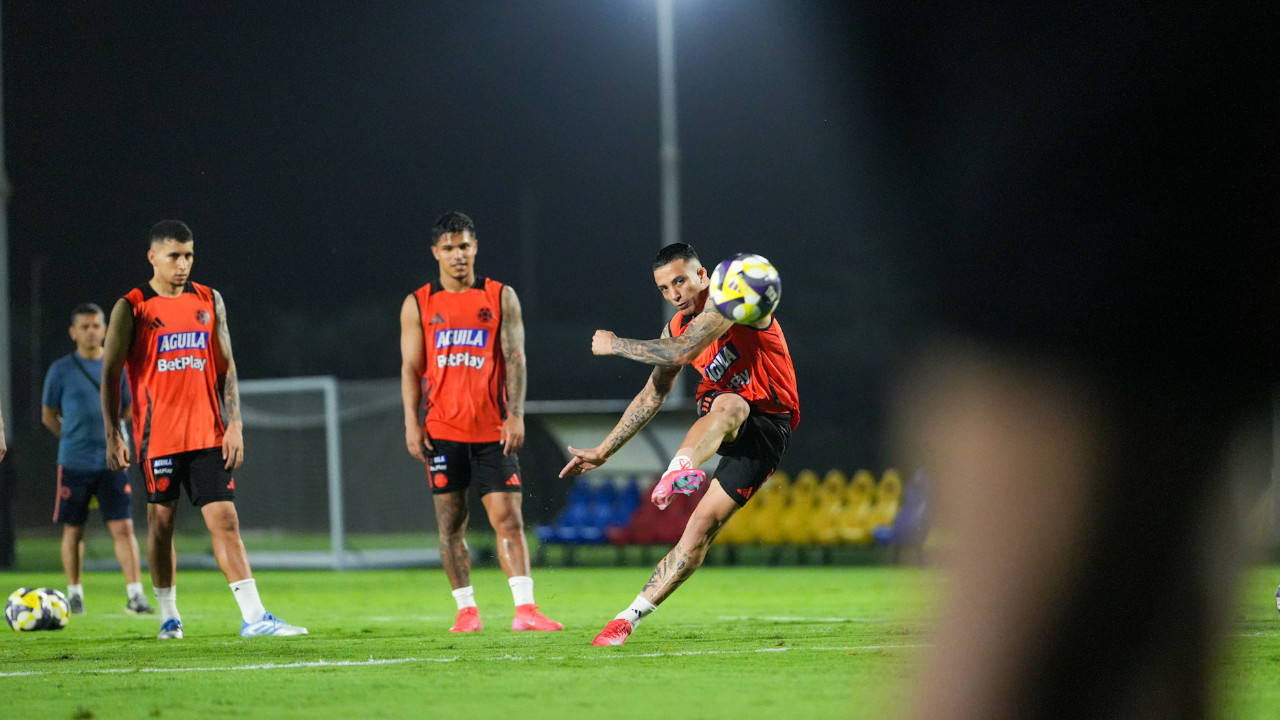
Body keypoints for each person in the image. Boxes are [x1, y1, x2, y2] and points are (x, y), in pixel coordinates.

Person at [560, 242, 799, 646]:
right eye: (664, 289)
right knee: (727, 403)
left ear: (704, 276)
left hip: (771, 426)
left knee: (700, 529)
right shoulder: (674, 328)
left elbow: (684, 350)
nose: (673, 294)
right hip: (724, 411)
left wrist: (615, 344)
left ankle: (628, 616)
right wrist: (604, 449)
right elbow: (653, 395)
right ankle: (678, 471)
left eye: (680, 282)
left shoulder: (729, 305)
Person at [101, 220, 307, 640]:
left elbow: (226, 366)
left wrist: (235, 424)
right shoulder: (133, 305)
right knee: (161, 524)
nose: (183, 264)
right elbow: (109, 372)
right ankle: (168, 616)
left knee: (226, 520)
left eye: (189, 255)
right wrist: (113, 433)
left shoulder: (209, 299)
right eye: (174, 255)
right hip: (156, 436)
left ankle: (254, 617)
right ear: (153, 257)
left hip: (208, 433)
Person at [399, 210, 562, 633]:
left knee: (509, 519)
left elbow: (515, 358)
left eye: (464, 246)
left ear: (476, 248)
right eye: (449, 248)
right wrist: (411, 425)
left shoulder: (499, 296)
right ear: (436, 252)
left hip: (493, 431)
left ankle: (525, 610)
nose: (458, 255)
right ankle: (466, 611)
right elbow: (411, 368)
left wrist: (516, 414)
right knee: (451, 524)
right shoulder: (419, 303)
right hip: (442, 433)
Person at [41, 303, 151, 615]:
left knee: (124, 528)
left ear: (105, 329)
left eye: (97, 325)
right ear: (73, 332)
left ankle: (135, 595)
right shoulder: (61, 370)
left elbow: (129, 407)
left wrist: (113, 436)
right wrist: (73, 436)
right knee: (74, 529)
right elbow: (49, 416)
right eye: (85, 326)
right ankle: (74, 594)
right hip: (74, 462)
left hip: (112, 462)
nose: (92, 331)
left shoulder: (118, 365)